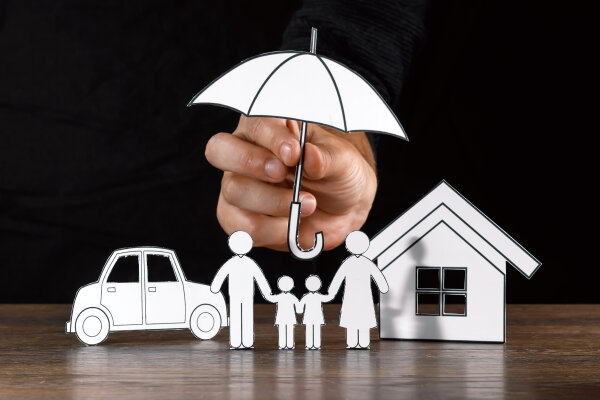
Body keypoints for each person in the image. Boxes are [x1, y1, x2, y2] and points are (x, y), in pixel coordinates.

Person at [210, 231, 272, 349]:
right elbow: (221, 275)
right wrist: (267, 292)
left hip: (244, 295)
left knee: (244, 316)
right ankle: (238, 342)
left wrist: (215, 288)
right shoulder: (241, 262)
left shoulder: (243, 263)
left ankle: (244, 341)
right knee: (238, 317)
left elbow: (259, 277)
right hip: (237, 295)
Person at [327, 231, 389, 349]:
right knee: (354, 319)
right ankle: (354, 342)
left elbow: (377, 275)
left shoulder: (361, 263)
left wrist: (332, 291)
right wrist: (332, 290)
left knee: (362, 319)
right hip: (352, 296)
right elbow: (339, 277)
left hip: (363, 296)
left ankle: (362, 342)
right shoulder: (353, 263)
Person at [298, 275, 333, 350]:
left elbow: (327, 298)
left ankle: (316, 344)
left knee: (316, 330)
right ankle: (310, 344)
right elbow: (301, 305)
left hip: (316, 317)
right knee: (309, 330)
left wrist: (299, 310)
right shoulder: (307, 296)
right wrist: (299, 310)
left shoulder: (308, 296)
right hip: (309, 317)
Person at [269, 276, 301, 349]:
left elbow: (272, 299)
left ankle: (287, 344)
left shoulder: (288, 296)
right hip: (284, 317)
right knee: (284, 330)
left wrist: (299, 310)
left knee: (287, 330)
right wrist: (299, 310)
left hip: (287, 317)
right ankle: (284, 344)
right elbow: (298, 305)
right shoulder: (290, 296)